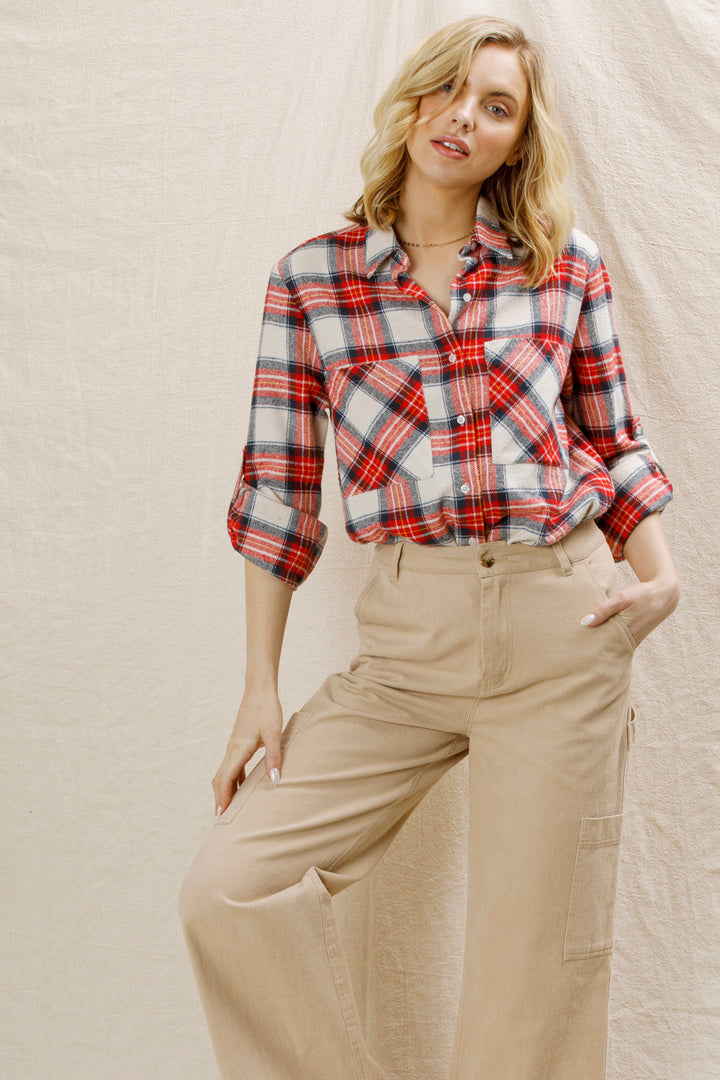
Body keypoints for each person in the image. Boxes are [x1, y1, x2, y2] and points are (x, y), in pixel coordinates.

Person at [178, 15, 679, 1080]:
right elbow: (281, 492)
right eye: (450, 92)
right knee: (230, 886)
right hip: (408, 645)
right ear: (411, 102)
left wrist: (662, 574)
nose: (466, 117)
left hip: (561, 621)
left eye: (497, 107)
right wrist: (259, 686)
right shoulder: (313, 280)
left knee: (532, 974)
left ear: (516, 142)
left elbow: (611, 435)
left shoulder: (562, 267)